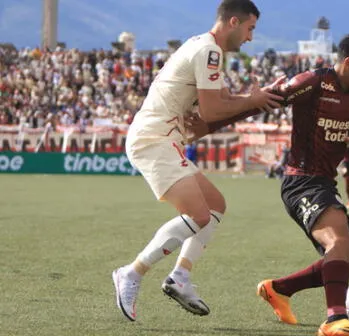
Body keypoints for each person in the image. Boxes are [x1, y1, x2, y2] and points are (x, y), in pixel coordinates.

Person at [112, 0, 284, 321]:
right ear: (233, 22)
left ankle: (180, 277)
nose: (250, 38)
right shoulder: (210, 51)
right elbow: (213, 111)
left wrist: (251, 99)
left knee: (215, 205)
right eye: (250, 29)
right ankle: (132, 273)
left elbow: (217, 103)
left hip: (165, 140)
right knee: (199, 214)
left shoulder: (204, 46)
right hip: (154, 140)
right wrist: (254, 99)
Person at [256, 33, 349, 336]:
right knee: (340, 243)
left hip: (325, 183)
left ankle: (279, 288)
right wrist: (210, 118)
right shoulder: (313, 82)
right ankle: (334, 320)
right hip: (301, 181)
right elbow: (268, 99)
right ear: (348, 62)